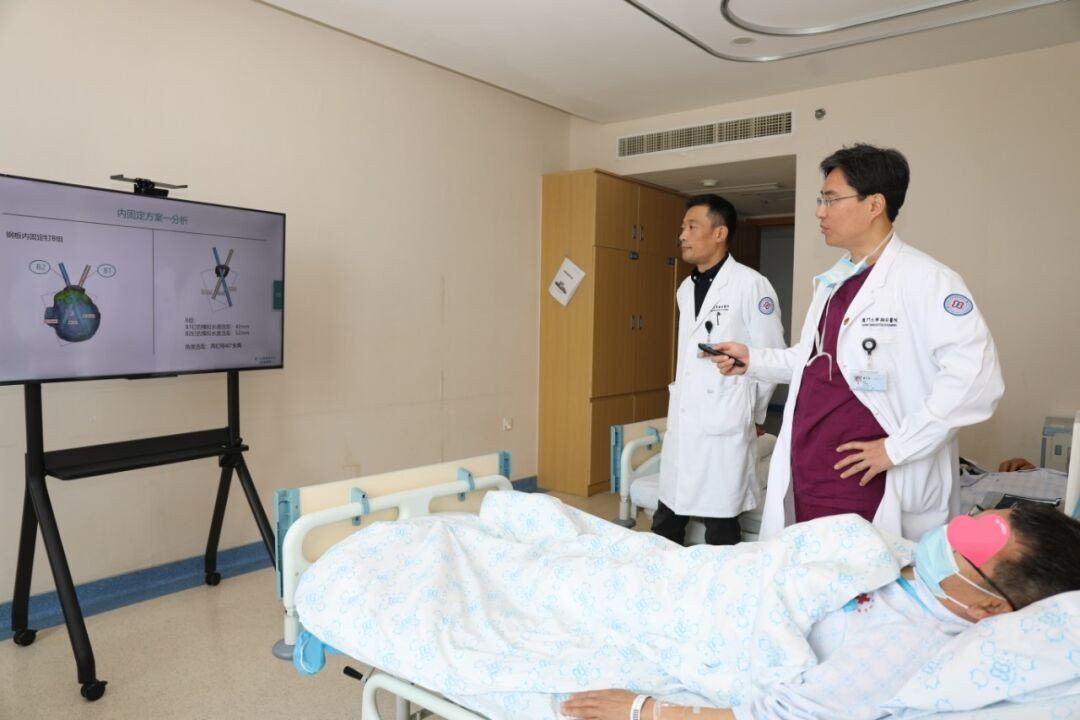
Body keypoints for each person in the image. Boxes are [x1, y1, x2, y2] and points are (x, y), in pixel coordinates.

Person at [707, 144, 1003, 541]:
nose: (820, 211)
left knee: (869, 575)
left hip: (870, 482)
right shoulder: (835, 281)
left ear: (874, 204)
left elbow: (977, 380)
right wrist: (753, 359)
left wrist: (897, 448)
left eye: (831, 199)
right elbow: (817, 361)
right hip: (812, 469)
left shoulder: (927, 280)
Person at [561, 501, 1080, 720]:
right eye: (971, 521)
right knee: (572, 539)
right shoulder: (915, 565)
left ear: (989, 607)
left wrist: (644, 709)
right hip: (706, 575)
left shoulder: (904, 648)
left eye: (967, 546)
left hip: (686, 616)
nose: (950, 533)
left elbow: (777, 717)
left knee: (563, 579)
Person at [654, 194, 785, 545]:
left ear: (719, 233)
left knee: (721, 524)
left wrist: (755, 413)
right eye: (682, 227)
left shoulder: (751, 284)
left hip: (726, 416)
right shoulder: (685, 289)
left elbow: (771, 355)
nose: (682, 235)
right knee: (666, 521)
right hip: (687, 417)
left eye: (691, 226)